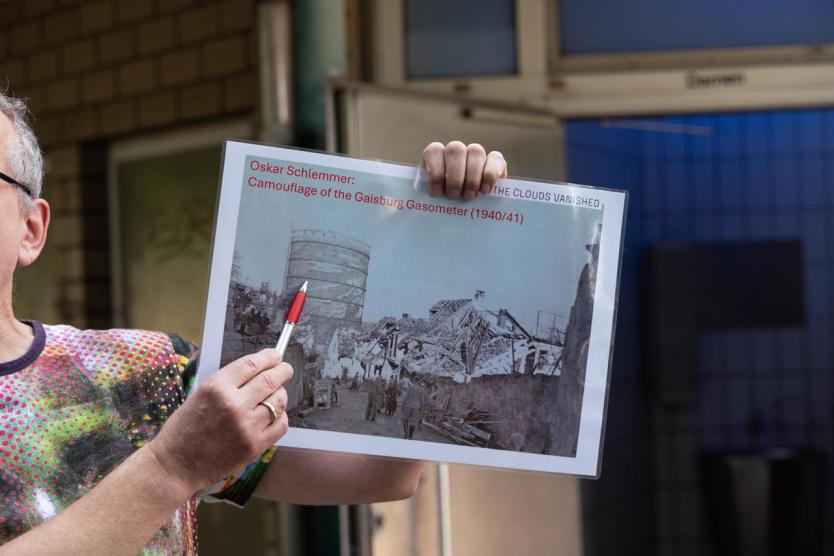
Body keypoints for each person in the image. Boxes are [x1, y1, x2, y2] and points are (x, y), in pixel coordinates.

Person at [0, 89, 509, 553]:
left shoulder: (144, 370)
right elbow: (175, 465)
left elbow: (379, 475)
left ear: (31, 229)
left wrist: (442, 240)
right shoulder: (163, 420)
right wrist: (172, 466)